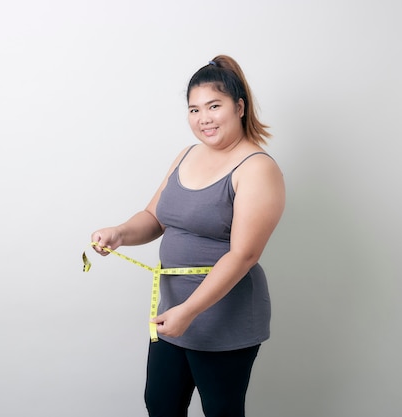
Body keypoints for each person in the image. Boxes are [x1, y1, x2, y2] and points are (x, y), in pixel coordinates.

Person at [90, 55, 285, 417]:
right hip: (173, 312)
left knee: (220, 411)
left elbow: (243, 255)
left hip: (221, 316)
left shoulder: (257, 168)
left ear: (239, 107)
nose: (203, 118)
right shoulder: (187, 154)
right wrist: (118, 233)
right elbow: (154, 217)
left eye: (214, 106)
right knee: (161, 405)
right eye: (194, 109)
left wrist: (189, 311)